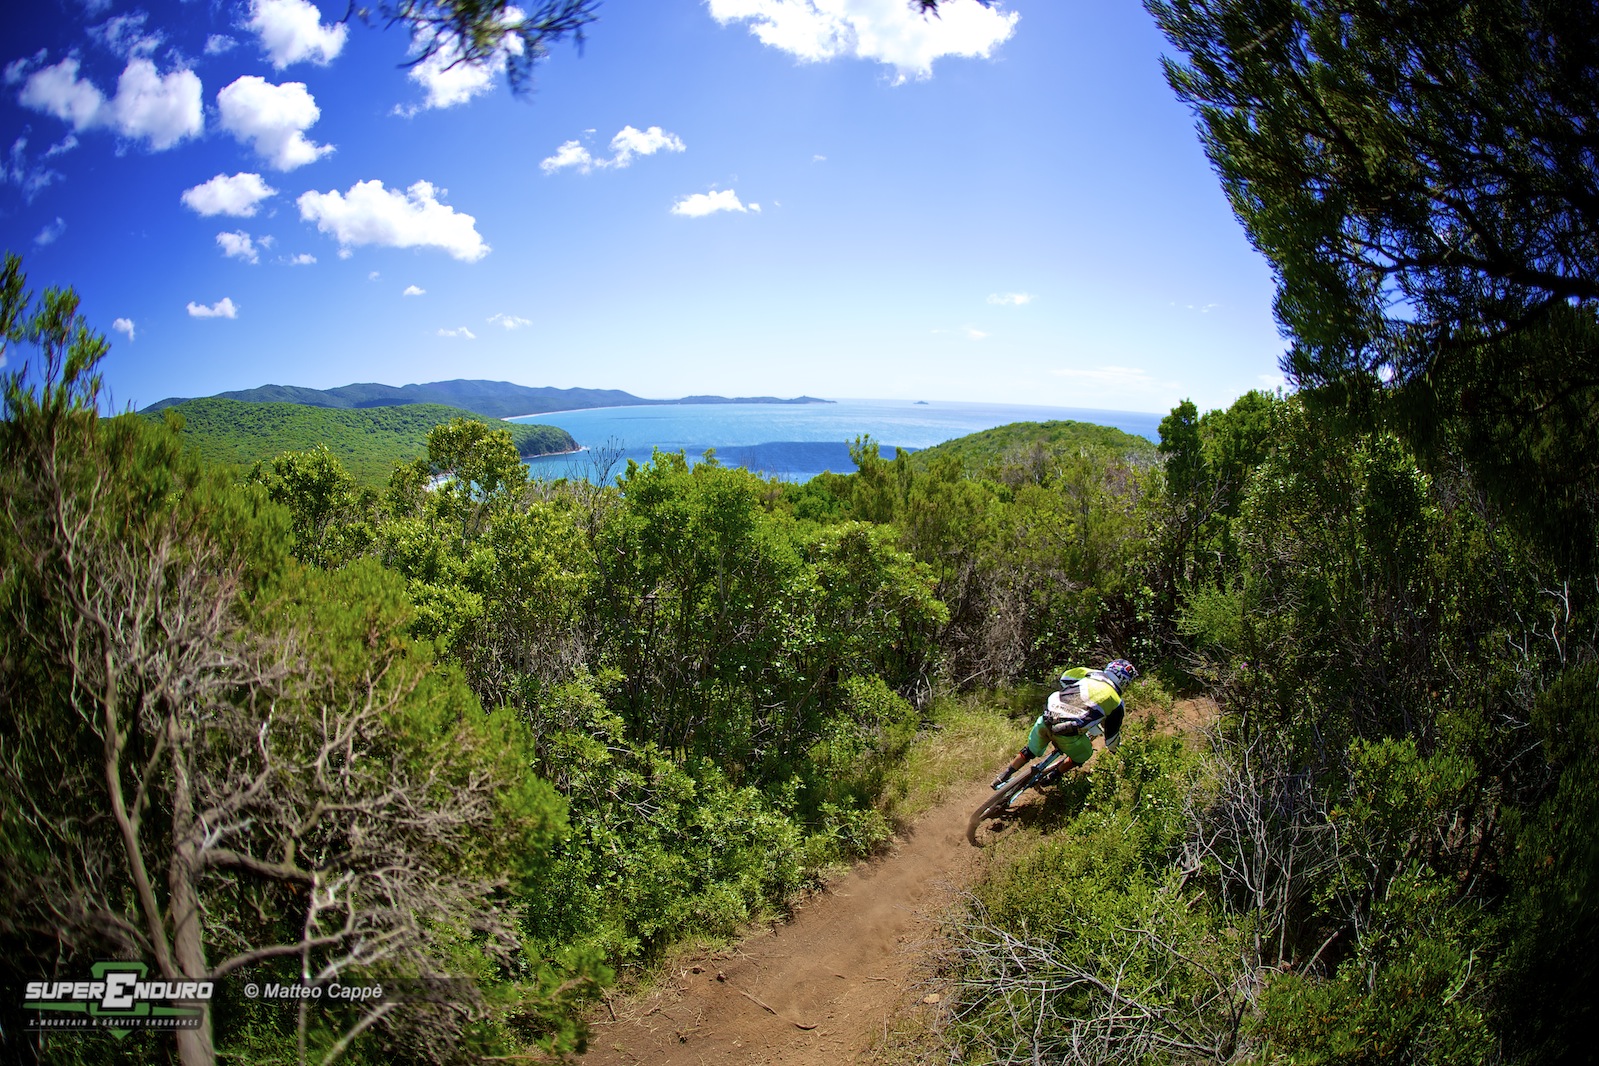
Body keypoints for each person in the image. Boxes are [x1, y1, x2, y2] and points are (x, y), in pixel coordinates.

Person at [991, 658, 1138, 790]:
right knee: (1084, 754)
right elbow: (1111, 740)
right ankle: (1053, 777)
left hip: (1048, 716)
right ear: (1125, 681)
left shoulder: (1089, 674)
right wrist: (1116, 752)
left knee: (1030, 749)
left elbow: (1065, 678)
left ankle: (1004, 775)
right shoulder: (1117, 703)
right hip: (1068, 734)